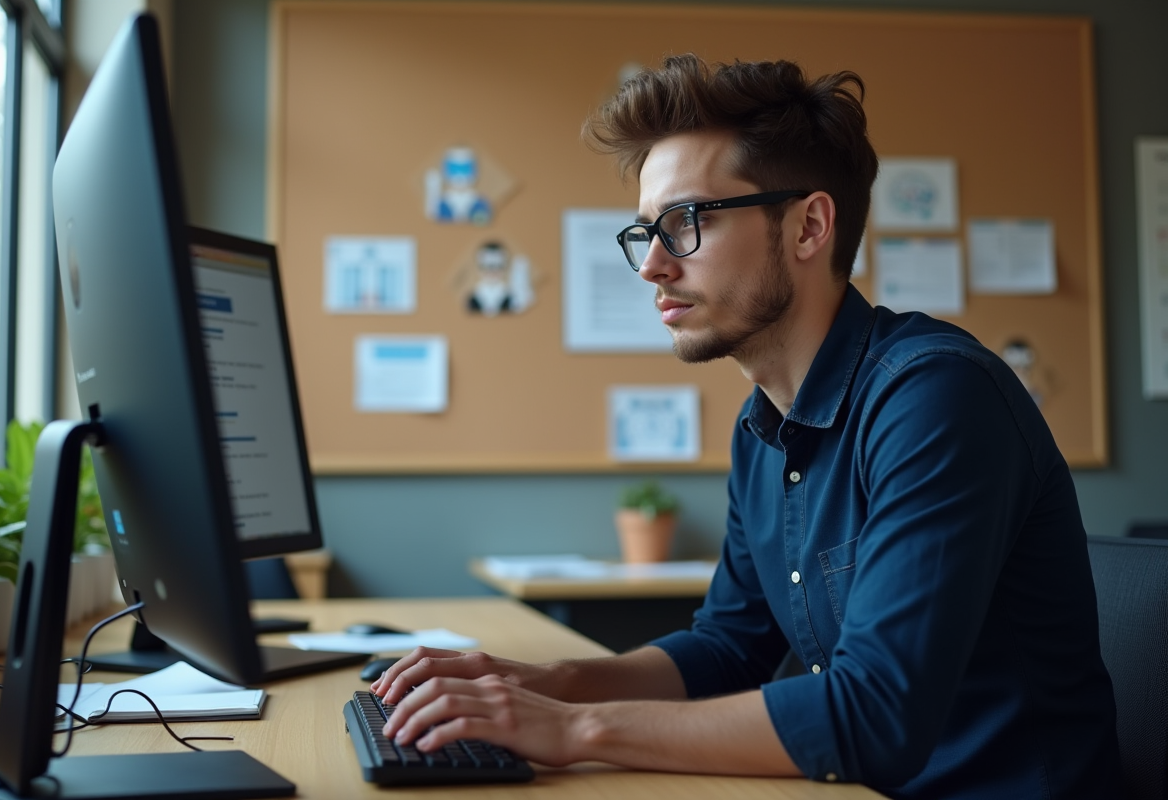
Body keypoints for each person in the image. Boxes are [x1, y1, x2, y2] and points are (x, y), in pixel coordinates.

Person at [373, 55, 1124, 799]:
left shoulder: (936, 396)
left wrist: (577, 729)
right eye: (646, 232)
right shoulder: (762, 427)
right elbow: (728, 649)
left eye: (686, 221)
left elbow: (875, 713)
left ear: (808, 227)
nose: (652, 266)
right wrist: (544, 684)